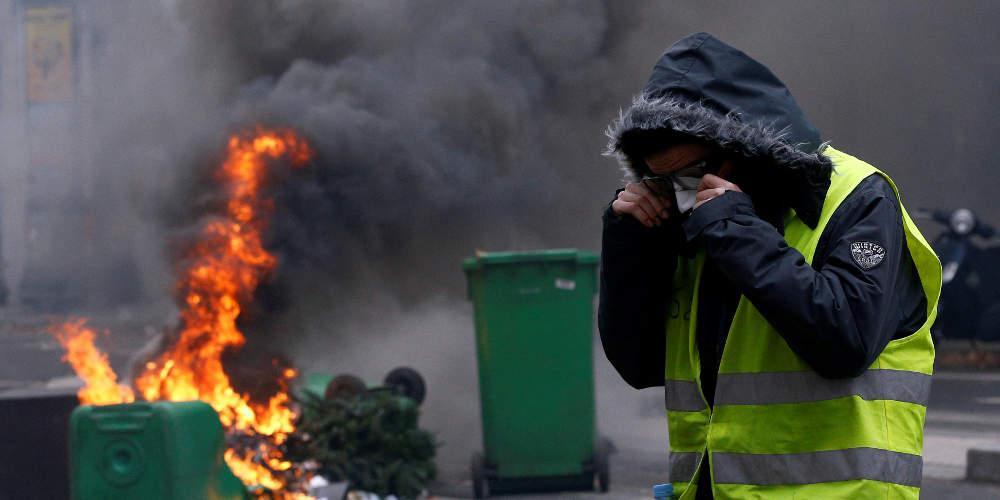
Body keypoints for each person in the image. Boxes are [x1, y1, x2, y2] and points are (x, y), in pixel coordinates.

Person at [599, 32, 941, 499]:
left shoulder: (856, 199)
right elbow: (640, 365)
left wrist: (738, 232)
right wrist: (630, 247)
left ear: (741, 146)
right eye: (663, 180)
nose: (680, 192)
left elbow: (845, 342)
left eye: (692, 174)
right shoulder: (696, 219)